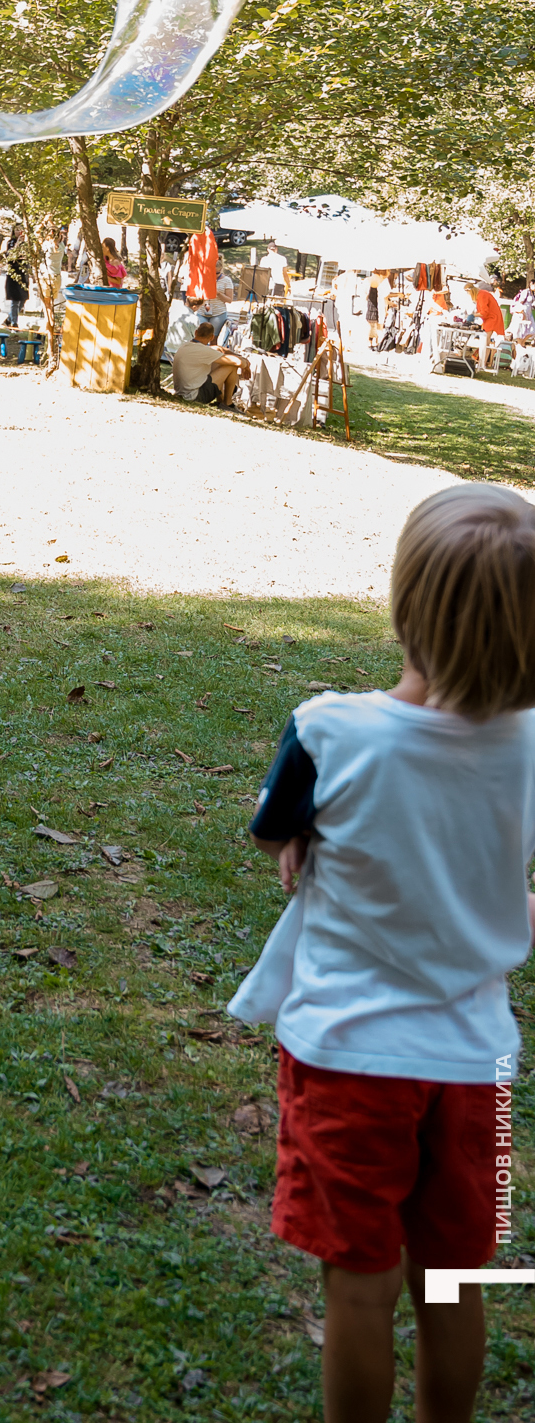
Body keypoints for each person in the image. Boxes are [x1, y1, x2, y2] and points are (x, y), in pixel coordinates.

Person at [230, 484, 535, 1423]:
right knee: (453, 1282)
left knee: (359, 1292)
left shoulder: (327, 729)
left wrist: (302, 840)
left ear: (404, 605)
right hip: (477, 1066)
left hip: (347, 1057)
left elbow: (273, 832)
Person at [171, 321, 249, 406]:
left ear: (196, 332)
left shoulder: (186, 346)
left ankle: (220, 401)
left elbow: (218, 348)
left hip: (182, 393)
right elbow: (238, 362)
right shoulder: (204, 351)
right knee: (231, 366)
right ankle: (228, 403)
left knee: (220, 362)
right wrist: (247, 366)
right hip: (195, 396)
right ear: (212, 337)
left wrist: (237, 356)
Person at [469, 280, 505, 370]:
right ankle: (481, 363)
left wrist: (473, 315)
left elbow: (484, 312)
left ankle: (482, 364)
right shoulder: (482, 294)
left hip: (492, 319)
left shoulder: (482, 295)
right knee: (485, 341)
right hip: (489, 319)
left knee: (485, 341)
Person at [3, 240, 29, 326]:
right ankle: (14, 323)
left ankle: (9, 319)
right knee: (15, 301)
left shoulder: (27, 251)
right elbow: (8, 258)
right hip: (13, 277)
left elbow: (28, 263)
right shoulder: (11, 248)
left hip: (23, 277)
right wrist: (16, 245)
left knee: (23, 300)